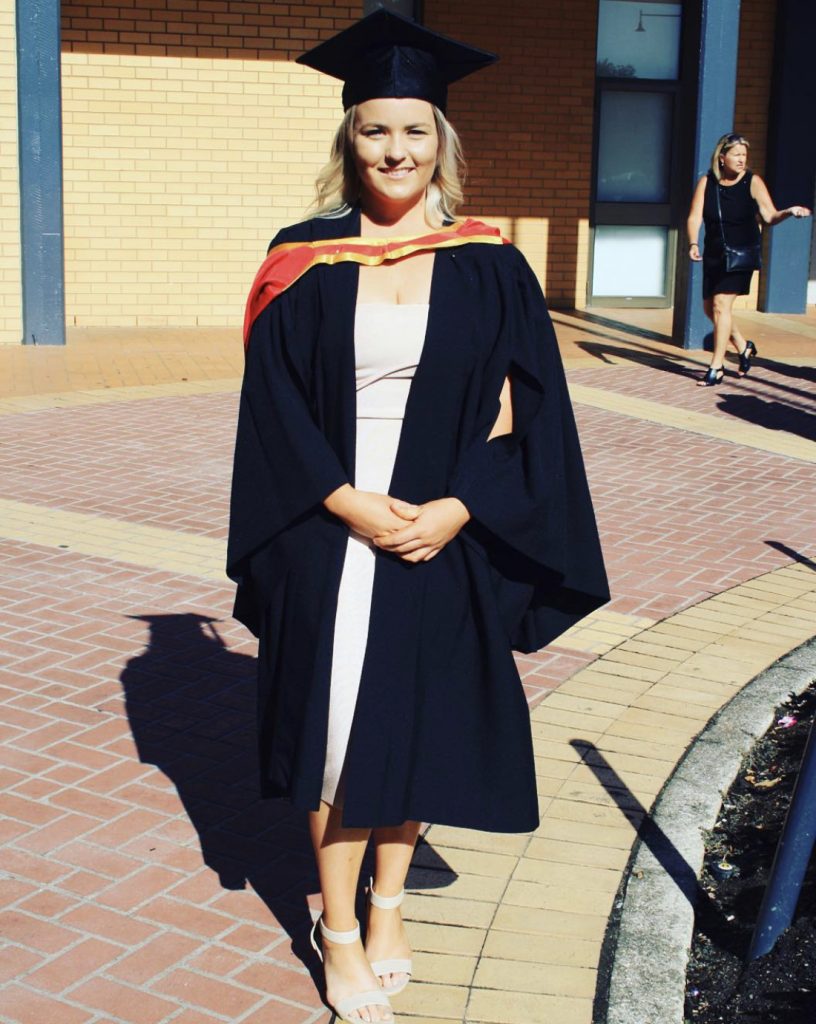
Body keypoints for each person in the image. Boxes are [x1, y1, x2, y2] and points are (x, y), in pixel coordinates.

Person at [227, 10, 609, 1022]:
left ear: (443, 140)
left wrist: (455, 508)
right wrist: (348, 501)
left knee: (425, 721)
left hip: (443, 527)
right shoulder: (299, 257)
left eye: (414, 131)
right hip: (328, 526)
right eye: (374, 130)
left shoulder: (491, 263)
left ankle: (389, 906)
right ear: (346, 140)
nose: (395, 150)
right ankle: (337, 927)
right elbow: (270, 403)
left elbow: (531, 414)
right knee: (334, 730)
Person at [687, 132, 811, 386]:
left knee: (721, 306)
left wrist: (788, 212)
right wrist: (692, 242)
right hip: (715, 253)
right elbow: (694, 216)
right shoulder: (707, 182)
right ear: (722, 157)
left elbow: (769, 216)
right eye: (737, 155)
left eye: (745, 155)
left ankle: (716, 367)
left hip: (741, 253)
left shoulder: (752, 181)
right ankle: (744, 347)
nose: (742, 159)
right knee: (710, 309)